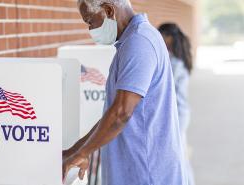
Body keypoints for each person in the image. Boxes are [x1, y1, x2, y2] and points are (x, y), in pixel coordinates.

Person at [63, 0, 188, 184]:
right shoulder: (133, 41)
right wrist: (76, 150)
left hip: (147, 174)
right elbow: (112, 114)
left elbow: (121, 113)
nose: (90, 30)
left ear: (108, 10)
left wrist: (82, 152)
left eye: (90, 21)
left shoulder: (139, 43)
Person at [159, 23, 195, 185]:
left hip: (178, 114)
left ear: (169, 37)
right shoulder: (179, 58)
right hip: (181, 112)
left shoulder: (174, 63)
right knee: (180, 154)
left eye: (162, 35)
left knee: (178, 155)